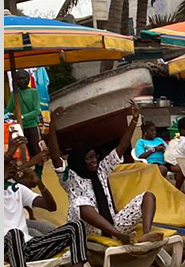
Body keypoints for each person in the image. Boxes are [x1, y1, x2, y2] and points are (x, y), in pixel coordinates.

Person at [4, 138, 102, 267]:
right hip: (5, 246)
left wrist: (40, 183)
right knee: (14, 234)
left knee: (76, 226)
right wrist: (10, 152)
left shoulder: (17, 189)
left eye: (13, 164)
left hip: (27, 246)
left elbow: (50, 206)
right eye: (8, 164)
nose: (12, 166)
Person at [66, 104, 165, 245]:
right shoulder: (70, 177)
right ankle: (119, 235)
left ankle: (146, 233)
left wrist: (134, 120)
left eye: (95, 157)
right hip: (90, 229)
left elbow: (122, 147)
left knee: (148, 196)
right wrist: (51, 127)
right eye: (89, 158)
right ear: (80, 161)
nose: (94, 161)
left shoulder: (101, 169)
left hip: (113, 224)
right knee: (80, 203)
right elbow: (56, 158)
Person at [4, 69, 43, 157]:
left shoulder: (34, 92)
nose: (21, 81)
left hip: (32, 125)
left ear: (28, 79)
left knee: (36, 148)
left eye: (23, 78)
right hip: (20, 127)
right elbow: (8, 110)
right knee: (24, 149)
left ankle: (38, 169)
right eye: (18, 79)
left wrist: (22, 117)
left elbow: (37, 110)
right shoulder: (14, 94)